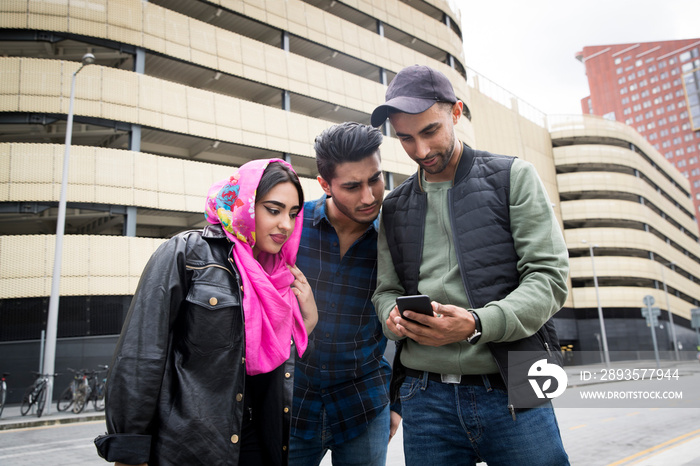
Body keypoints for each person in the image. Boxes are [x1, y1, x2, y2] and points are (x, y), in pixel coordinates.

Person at [370, 64, 570, 465]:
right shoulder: (393, 205)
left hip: (516, 379)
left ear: (456, 113)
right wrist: (392, 315)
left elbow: (549, 279)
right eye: (405, 138)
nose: (421, 151)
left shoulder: (513, 177)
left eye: (430, 131)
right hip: (424, 398)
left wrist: (478, 323)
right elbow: (385, 290)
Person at [94, 158, 318, 466]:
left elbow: (279, 375)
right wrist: (129, 449)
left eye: (293, 214)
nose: (286, 225)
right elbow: (141, 352)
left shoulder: (281, 277)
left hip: (259, 444)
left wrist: (306, 324)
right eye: (273, 209)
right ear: (245, 204)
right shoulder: (186, 254)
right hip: (192, 445)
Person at [290, 122, 400, 466]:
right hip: (292, 402)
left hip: (364, 404)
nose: (368, 197)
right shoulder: (290, 227)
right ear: (325, 184)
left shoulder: (397, 239)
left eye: (375, 180)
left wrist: (396, 404)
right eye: (352, 187)